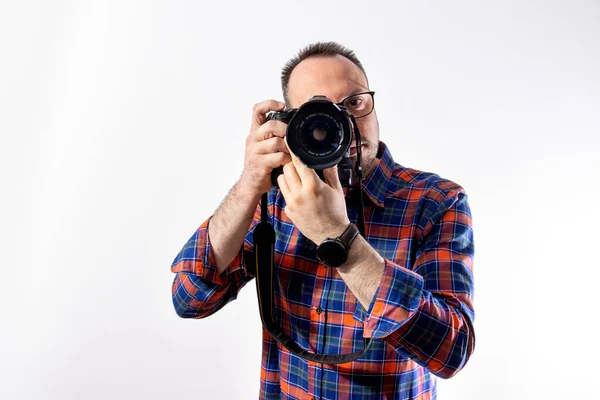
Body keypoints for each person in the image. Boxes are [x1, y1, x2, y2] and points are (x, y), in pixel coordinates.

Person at [170, 41, 475, 400]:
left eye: (354, 103)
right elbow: (189, 299)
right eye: (319, 114)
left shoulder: (436, 201)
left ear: (373, 106)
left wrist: (339, 238)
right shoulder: (276, 197)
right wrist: (250, 181)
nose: (342, 124)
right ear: (290, 125)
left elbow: (450, 352)